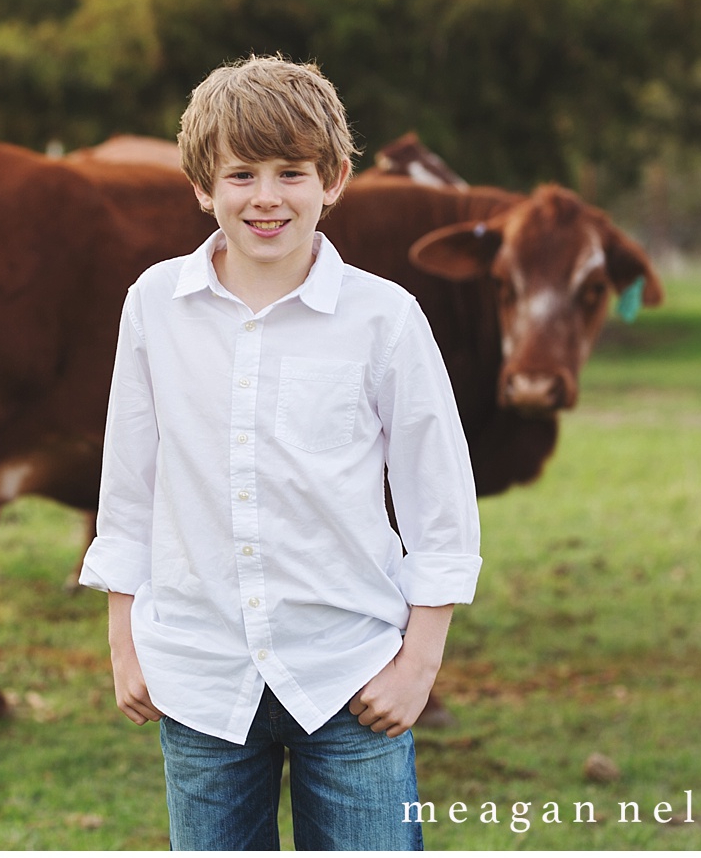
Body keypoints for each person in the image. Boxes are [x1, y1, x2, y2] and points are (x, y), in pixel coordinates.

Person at [79, 55, 481, 851]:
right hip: (199, 678)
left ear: (332, 179)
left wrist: (417, 666)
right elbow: (130, 487)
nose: (266, 196)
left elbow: (441, 504)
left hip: (351, 674)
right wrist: (126, 641)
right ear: (202, 186)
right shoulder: (154, 305)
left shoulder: (384, 317)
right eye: (241, 174)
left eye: (291, 172)